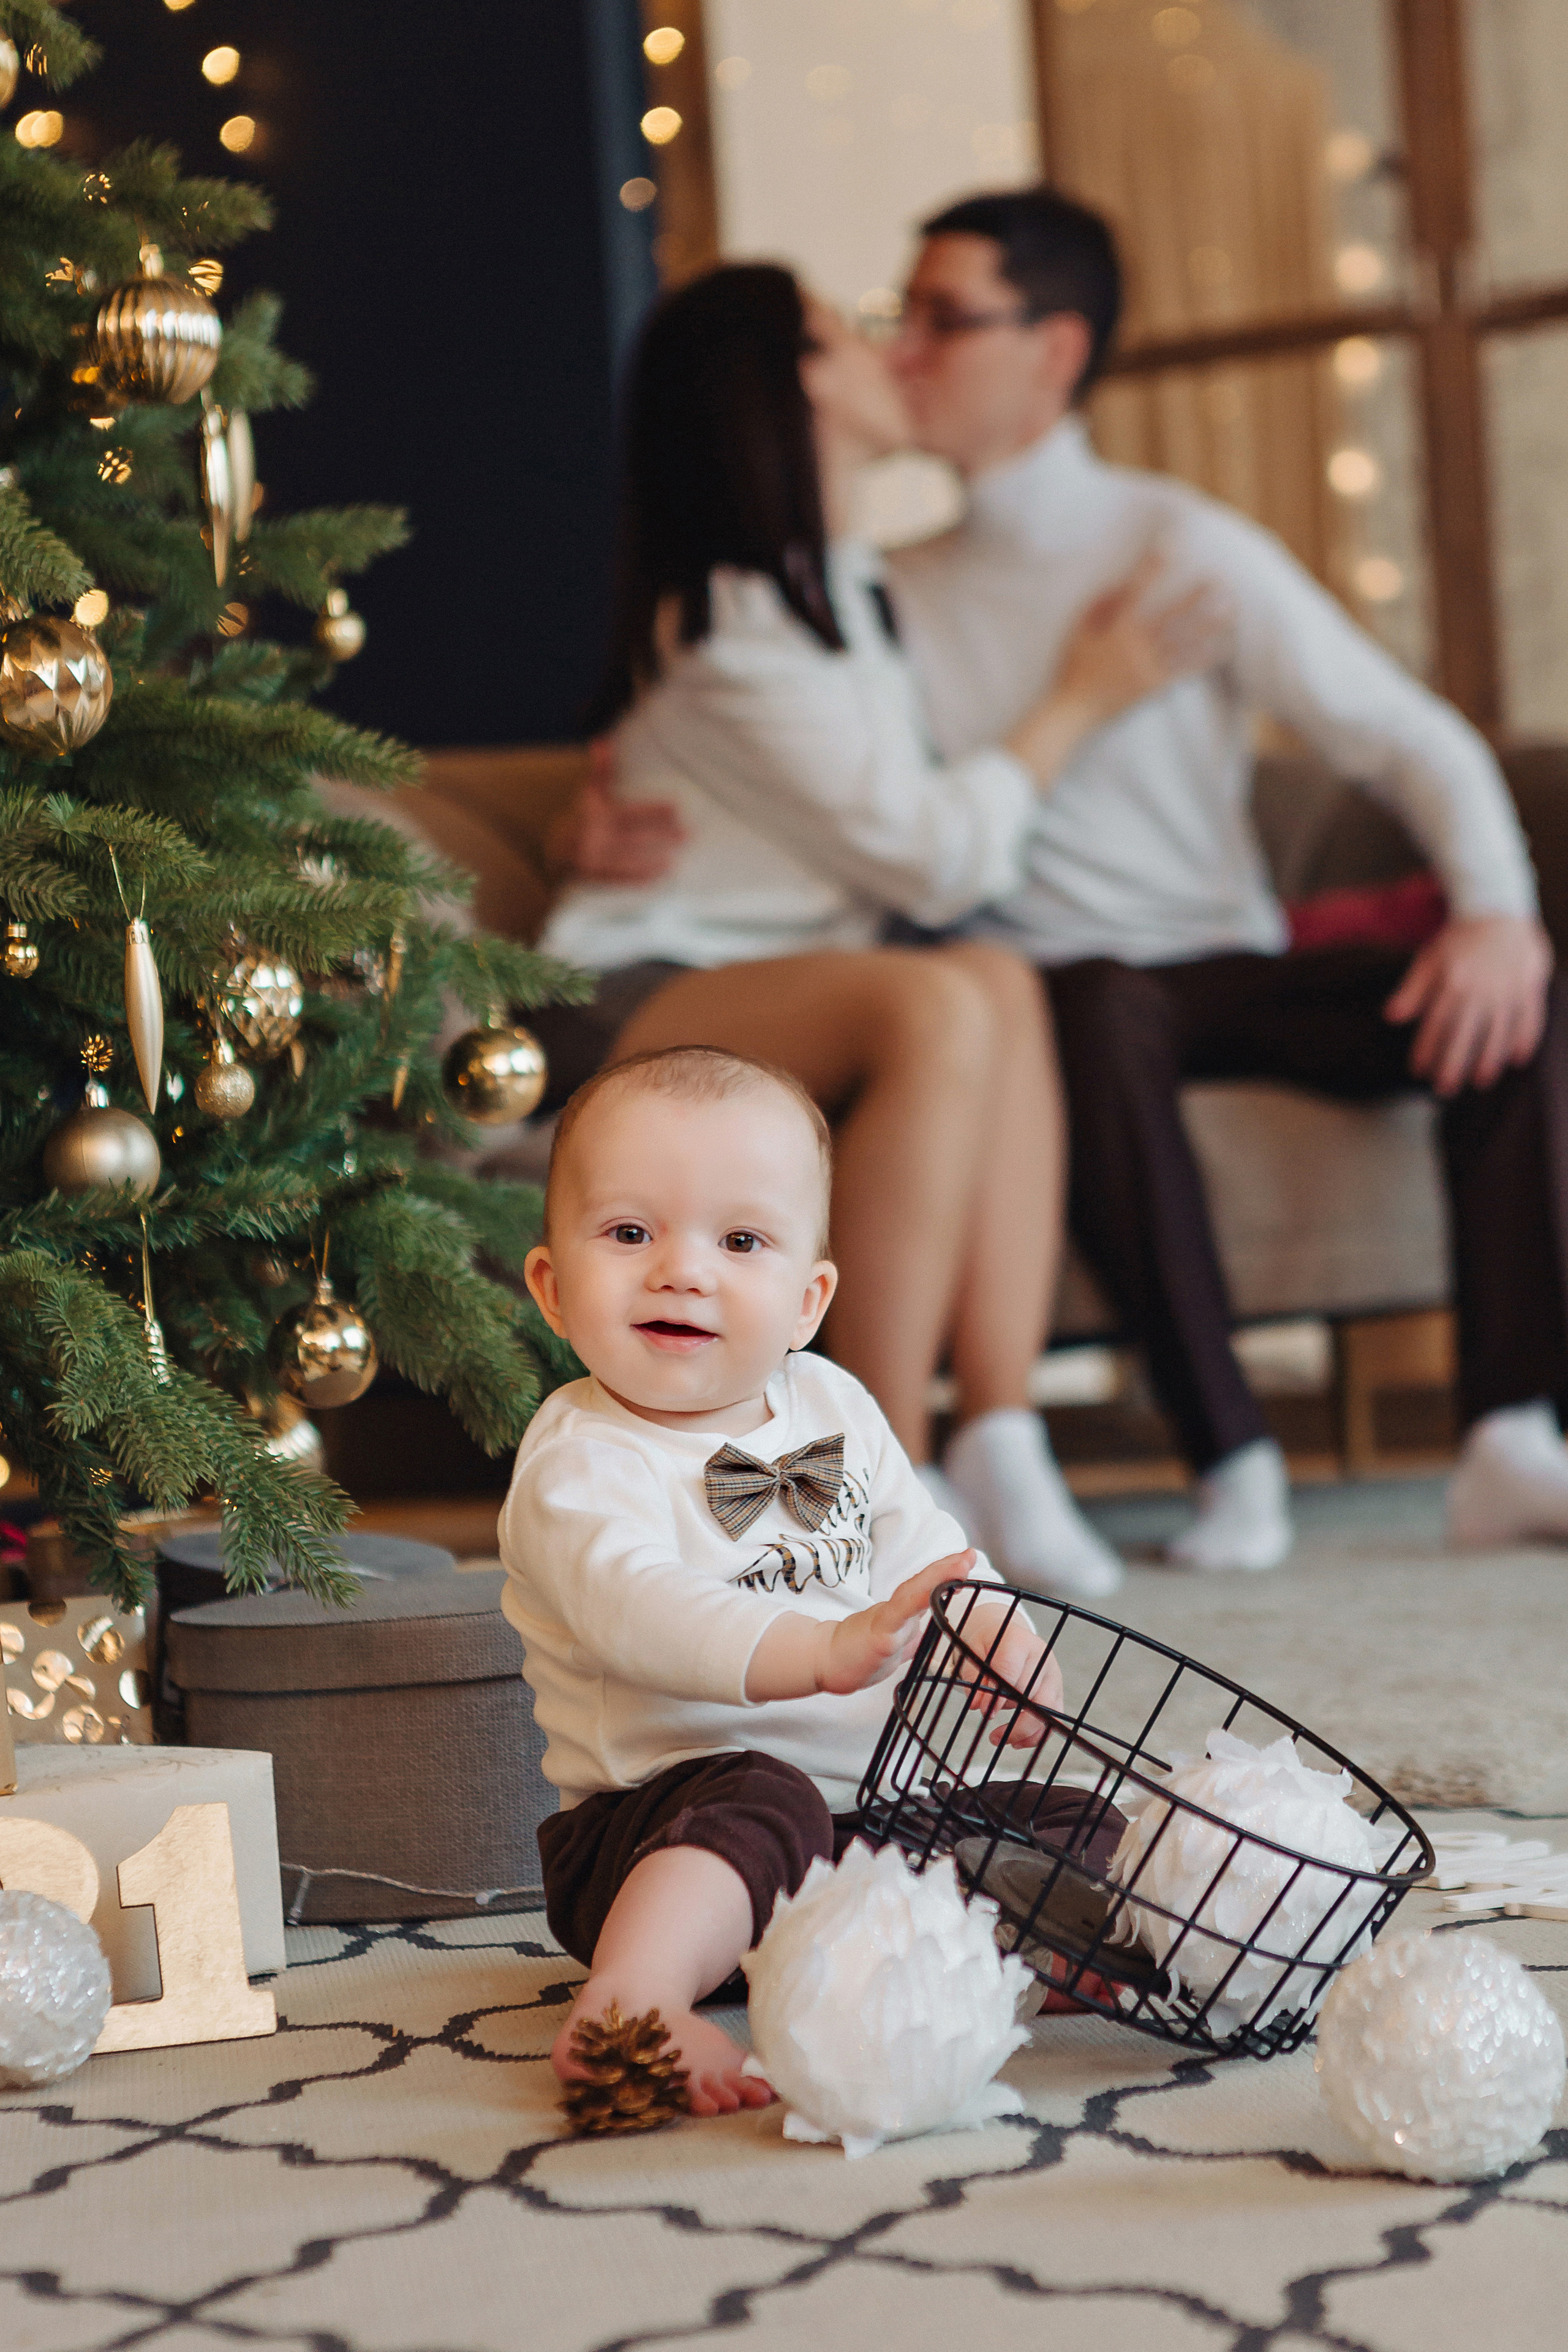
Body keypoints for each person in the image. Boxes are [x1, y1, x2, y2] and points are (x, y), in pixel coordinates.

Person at [864, 183, 1567, 1570]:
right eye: (905, 317)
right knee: (1096, 999)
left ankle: (1505, 1434)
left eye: (943, 320)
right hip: (1058, 992)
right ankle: (1232, 1458)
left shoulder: (1172, 543)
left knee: (1517, 992)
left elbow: (1404, 737)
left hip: (1226, 961)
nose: (905, 351)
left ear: (1053, 351)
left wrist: (1494, 910)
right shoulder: (880, 589)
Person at [533, 260, 1223, 1600]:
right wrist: (1082, 699)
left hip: (763, 976)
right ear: (789, 385)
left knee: (991, 981)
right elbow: (936, 850)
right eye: (846, 333)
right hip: (628, 993)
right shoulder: (733, 630)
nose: (886, 351)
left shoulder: (843, 589)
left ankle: (1006, 1430)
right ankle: (873, 1464)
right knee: (934, 996)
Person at [499, 1046, 1124, 2114]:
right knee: (760, 1796)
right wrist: (818, 1654)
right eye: (630, 1233)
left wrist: (1001, 1641)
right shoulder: (579, 1459)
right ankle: (634, 1996)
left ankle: (1036, 1953)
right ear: (554, 1289)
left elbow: (932, 1551)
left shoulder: (831, 1401)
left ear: (806, 1300)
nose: (682, 1271)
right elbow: (642, 1613)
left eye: (741, 1241)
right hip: (657, 1830)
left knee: (1071, 1821)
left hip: (866, 1814)